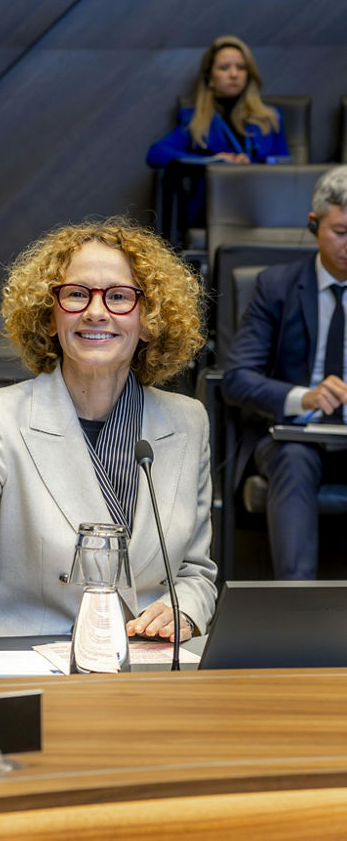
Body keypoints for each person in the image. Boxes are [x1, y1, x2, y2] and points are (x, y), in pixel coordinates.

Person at [0, 218, 217, 648]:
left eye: (119, 296)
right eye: (76, 294)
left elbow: (196, 572)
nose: (96, 311)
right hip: (28, 658)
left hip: (148, 659)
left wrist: (183, 611)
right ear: (49, 317)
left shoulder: (188, 421)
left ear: (150, 320)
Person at [222, 166, 347, 579]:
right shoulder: (276, 286)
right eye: (341, 232)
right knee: (295, 456)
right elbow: (237, 379)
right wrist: (302, 397)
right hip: (293, 435)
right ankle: (297, 603)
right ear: (314, 225)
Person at [146, 35, 288, 168]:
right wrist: (212, 162)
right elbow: (156, 154)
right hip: (215, 186)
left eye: (241, 67)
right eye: (224, 68)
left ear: (248, 75)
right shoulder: (194, 120)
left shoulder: (270, 118)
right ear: (209, 78)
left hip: (260, 185)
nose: (234, 74)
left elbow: (285, 167)